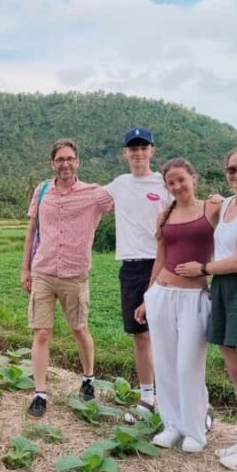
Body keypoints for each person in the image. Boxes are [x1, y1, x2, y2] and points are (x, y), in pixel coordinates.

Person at [175, 145, 237, 470]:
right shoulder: (228, 203)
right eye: (232, 169)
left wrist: (202, 269)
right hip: (223, 289)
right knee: (235, 373)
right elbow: (193, 206)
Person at [20, 138, 114, 417]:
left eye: (69, 158)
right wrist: (24, 269)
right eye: (60, 159)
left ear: (77, 162)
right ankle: (40, 393)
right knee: (41, 332)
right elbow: (31, 231)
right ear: (53, 163)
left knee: (79, 329)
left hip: (75, 274)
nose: (65, 164)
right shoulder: (43, 189)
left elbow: (131, 198)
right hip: (44, 271)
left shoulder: (95, 194)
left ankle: (88, 378)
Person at [134, 158, 219, 453]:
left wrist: (206, 268)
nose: (177, 186)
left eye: (182, 179)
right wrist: (148, 296)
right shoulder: (165, 216)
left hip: (194, 297)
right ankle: (172, 424)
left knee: (188, 365)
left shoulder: (213, 208)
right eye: (171, 183)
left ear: (193, 178)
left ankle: (195, 429)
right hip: (162, 295)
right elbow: (160, 259)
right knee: (166, 364)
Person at [103, 127, 170, 416]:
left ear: (152, 151)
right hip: (131, 268)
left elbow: (192, 208)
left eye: (144, 147)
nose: (138, 153)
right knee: (140, 335)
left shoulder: (165, 184)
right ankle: (147, 398)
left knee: (168, 335)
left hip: (161, 264)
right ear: (125, 153)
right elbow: (87, 199)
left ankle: (172, 399)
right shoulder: (119, 184)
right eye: (133, 148)